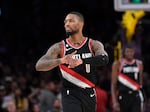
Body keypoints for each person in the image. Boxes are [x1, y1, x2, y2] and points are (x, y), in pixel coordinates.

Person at [35, 11, 109, 112]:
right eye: (65, 22)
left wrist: (82, 61)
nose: (67, 24)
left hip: (89, 91)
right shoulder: (59, 47)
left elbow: (104, 59)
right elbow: (39, 65)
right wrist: (61, 60)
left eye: (71, 21)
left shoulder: (93, 44)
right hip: (70, 93)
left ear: (81, 24)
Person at [111, 44, 144, 112]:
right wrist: (114, 101)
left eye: (131, 51)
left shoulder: (139, 64)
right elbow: (113, 84)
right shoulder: (118, 64)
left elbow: (140, 82)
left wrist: (142, 98)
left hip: (135, 95)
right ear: (124, 52)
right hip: (123, 96)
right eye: (127, 51)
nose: (129, 53)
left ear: (134, 52)